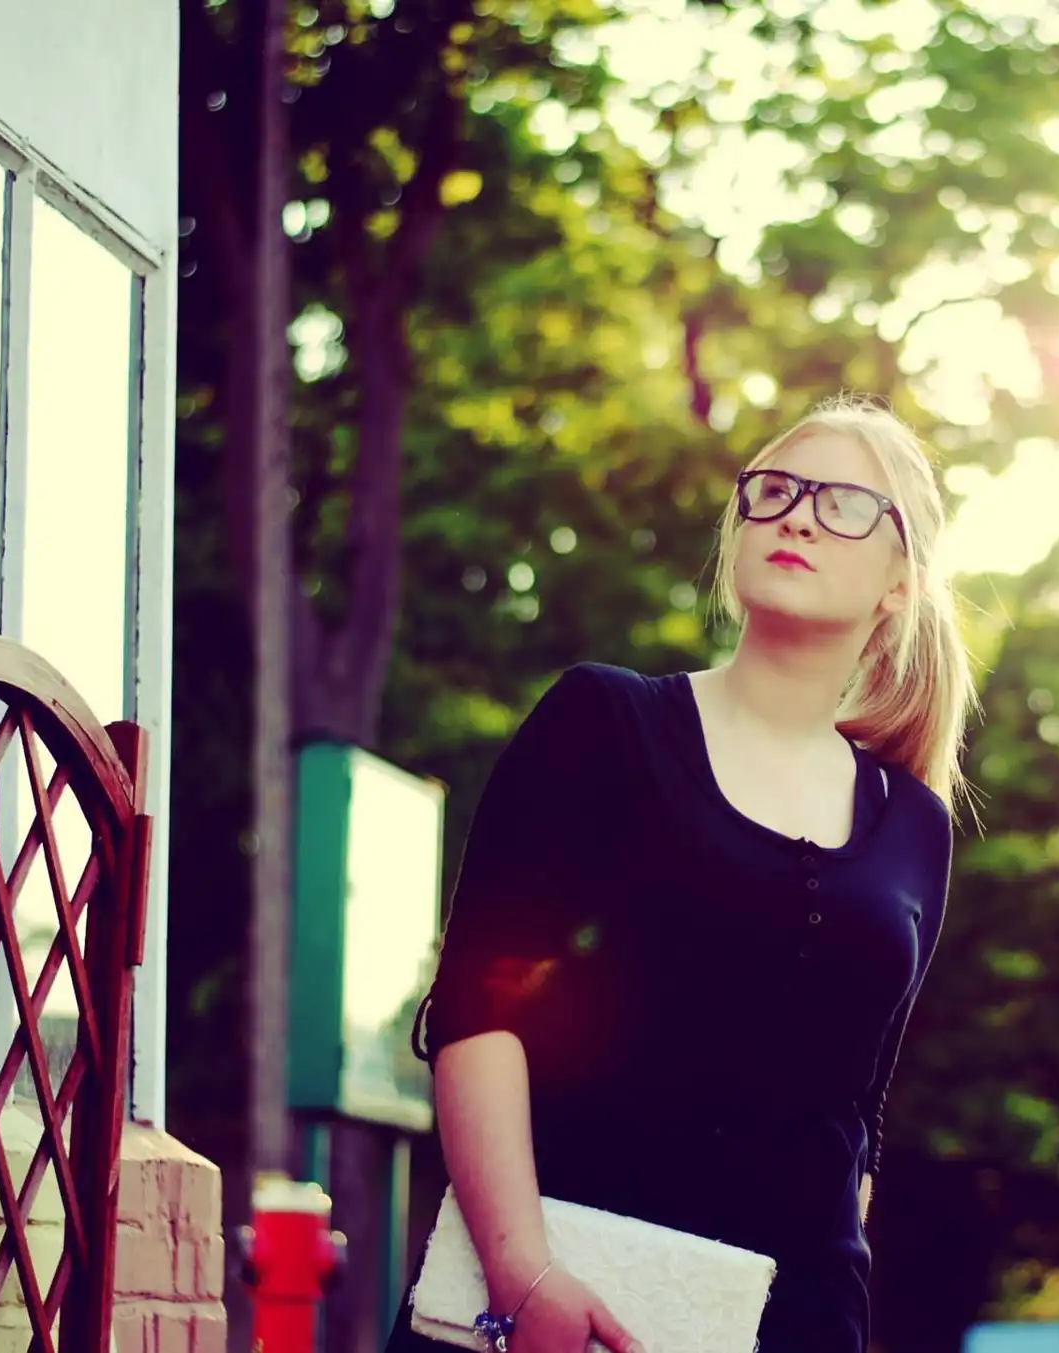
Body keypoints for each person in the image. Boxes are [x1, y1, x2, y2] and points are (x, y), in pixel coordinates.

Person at [384, 394, 979, 1353]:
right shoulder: (601, 723)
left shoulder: (914, 824)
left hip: (795, 1324)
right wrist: (525, 1276)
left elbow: (858, 1116)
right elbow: (476, 1014)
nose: (796, 514)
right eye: (776, 490)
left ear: (901, 581)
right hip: (558, 1306)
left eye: (843, 504)